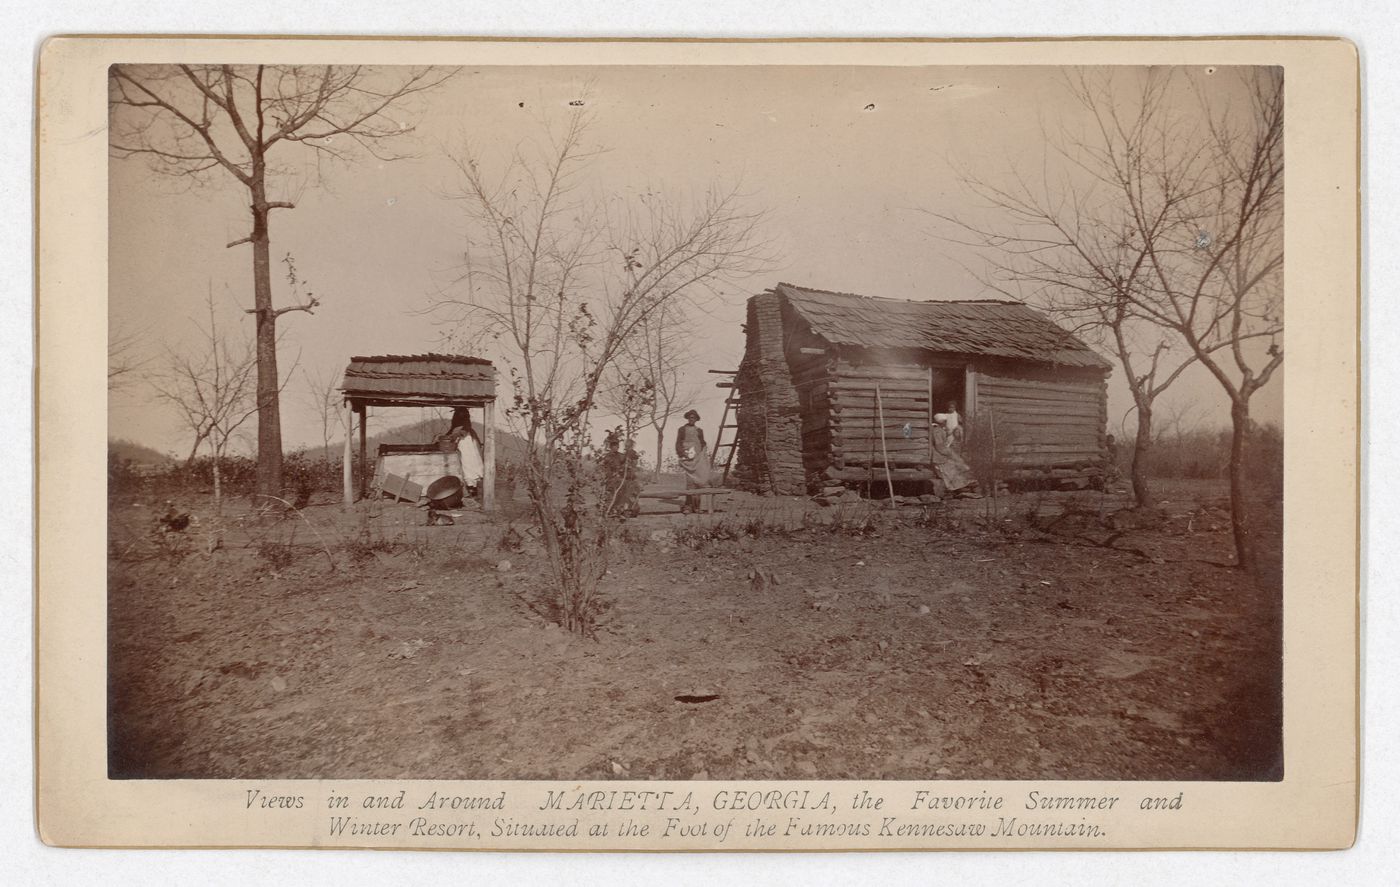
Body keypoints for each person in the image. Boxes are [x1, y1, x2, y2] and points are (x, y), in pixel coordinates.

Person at [441, 407, 485, 497]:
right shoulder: (457, 414)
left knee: (468, 462)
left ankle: (472, 487)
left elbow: (465, 428)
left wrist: (455, 435)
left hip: (466, 441)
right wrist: (445, 436)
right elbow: (453, 428)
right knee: (465, 463)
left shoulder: (464, 415)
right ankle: (470, 486)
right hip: (461, 441)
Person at [675, 409, 711, 514]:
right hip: (688, 459)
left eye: (693, 418)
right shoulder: (682, 429)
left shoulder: (699, 430)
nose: (692, 419)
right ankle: (688, 507)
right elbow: (678, 444)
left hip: (698, 459)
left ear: (696, 419)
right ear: (687, 418)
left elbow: (703, 443)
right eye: (690, 417)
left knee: (698, 482)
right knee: (690, 483)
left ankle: (697, 507)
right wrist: (683, 454)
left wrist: (702, 453)